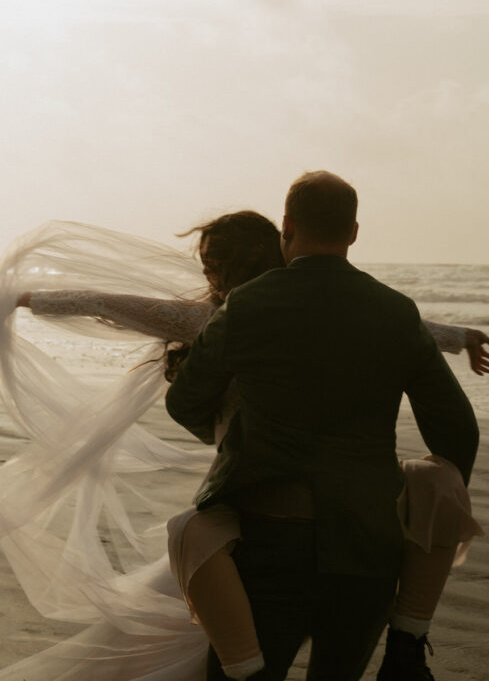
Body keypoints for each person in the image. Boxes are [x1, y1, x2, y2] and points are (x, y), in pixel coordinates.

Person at [0, 213, 484, 681]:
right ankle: (406, 636)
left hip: (257, 485)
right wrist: (31, 299)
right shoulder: (239, 312)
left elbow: (378, 320)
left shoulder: (231, 316)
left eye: (215, 257)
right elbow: (113, 303)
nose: (205, 266)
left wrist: (459, 337)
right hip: (281, 487)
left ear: (248, 255)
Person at [166, 173, 481, 681]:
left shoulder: (246, 305)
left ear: (287, 227)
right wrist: (420, 518)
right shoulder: (397, 312)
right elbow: (457, 429)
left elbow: (184, 403)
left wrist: (233, 439)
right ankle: (409, 638)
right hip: (369, 544)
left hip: (269, 540)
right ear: (354, 232)